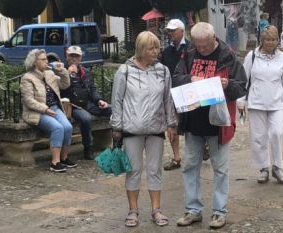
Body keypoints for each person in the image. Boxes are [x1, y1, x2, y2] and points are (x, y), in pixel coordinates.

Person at [172, 22, 247, 229]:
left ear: (214, 38)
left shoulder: (227, 57)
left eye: (205, 45)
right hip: (193, 122)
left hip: (218, 124)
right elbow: (176, 78)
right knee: (190, 167)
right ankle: (193, 210)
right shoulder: (188, 55)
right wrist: (191, 78)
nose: (202, 50)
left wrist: (227, 85)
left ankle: (219, 212)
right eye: (198, 45)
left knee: (220, 169)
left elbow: (241, 86)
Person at [110, 31, 177, 227]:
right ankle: (133, 210)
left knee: (155, 170)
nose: (156, 51)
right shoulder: (125, 71)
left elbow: (168, 99)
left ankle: (156, 209)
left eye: (157, 47)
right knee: (134, 170)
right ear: (141, 49)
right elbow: (117, 100)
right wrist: (116, 126)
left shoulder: (163, 71)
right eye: (151, 48)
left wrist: (171, 123)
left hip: (155, 127)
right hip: (132, 128)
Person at [237, 26, 283, 184]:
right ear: (262, 40)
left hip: (277, 101)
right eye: (267, 40)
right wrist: (241, 100)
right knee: (259, 136)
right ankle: (264, 167)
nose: (270, 43)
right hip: (256, 102)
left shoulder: (281, 57)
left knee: (278, 133)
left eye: (273, 40)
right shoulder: (252, 56)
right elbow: (244, 80)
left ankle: (278, 166)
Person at [20, 49, 75, 172]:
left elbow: (64, 85)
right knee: (57, 128)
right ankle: (55, 162)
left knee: (67, 127)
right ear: (34, 62)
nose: (47, 61)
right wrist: (45, 109)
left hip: (54, 108)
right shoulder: (27, 78)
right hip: (37, 112)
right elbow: (28, 101)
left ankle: (64, 158)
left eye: (47, 59)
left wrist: (63, 72)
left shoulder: (49, 73)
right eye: (43, 59)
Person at [61, 46, 111, 160]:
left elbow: (92, 90)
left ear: (80, 58)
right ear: (67, 57)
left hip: (87, 103)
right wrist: (68, 75)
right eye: (71, 56)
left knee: (112, 109)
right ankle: (88, 147)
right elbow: (61, 90)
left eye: (77, 56)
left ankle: (119, 141)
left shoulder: (86, 72)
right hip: (73, 105)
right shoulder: (62, 71)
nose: (74, 58)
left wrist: (99, 100)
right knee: (86, 119)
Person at [159, 19, 189, 171]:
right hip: (171, 91)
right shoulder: (166, 51)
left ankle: (196, 152)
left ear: (182, 31)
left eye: (173, 30)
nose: (170, 33)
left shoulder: (191, 47)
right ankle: (176, 157)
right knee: (172, 125)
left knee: (191, 123)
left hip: (188, 91)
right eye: (169, 31)